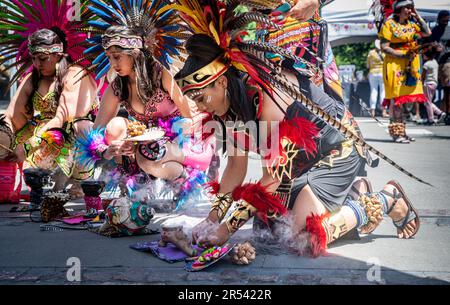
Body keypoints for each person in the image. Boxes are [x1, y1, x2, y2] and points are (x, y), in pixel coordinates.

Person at [172, 0, 422, 256]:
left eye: (201, 98)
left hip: (336, 149)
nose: (201, 107)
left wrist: (226, 230)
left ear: (221, 82)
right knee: (267, 230)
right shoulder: (229, 107)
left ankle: (386, 199)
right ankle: (353, 193)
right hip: (300, 162)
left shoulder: (266, 92)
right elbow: (236, 167)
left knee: (301, 236)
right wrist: (212, 220)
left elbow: (273, 175)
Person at [76, 1, 215, 202]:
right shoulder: (117, 86)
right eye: (109, 57)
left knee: (148, 153)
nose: (112, 64)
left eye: (117, 57)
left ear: (134, 54)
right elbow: (98, 130)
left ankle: (182, 179)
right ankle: (140, 182)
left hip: (180, 143)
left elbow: (190, 117)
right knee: (115, 127)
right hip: (145, 148)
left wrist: (164, 140)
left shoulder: (161, 74)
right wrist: (107, 150)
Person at [0, 1, 98, 192]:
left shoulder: (74, 73)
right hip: (43, 131)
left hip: (68, 131)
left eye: (42, 59)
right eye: (34, 58)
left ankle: (78, 181)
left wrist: (27, 147)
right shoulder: (32, 78)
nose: (37, 64)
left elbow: (62, 118)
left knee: (78, 128)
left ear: (58, 54)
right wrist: (5, 138)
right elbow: (12, 117)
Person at [378, 0, 431, 143]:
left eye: (411, 8)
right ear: (399, 9)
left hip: (411, 66)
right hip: (395, 64)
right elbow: (384, 47)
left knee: (406, 101)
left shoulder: (412, 25)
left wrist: (418, 16)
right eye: (407, 8)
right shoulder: (389, 24)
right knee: (396, 100)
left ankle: (403, 132)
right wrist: (402, 55)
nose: (410, 10)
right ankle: (397, 133)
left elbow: (427, 32)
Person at [422, 50, 446, 125]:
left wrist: (421, 82)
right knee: (427, 102)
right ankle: (439, 113)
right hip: (434, 83)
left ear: (426, 56)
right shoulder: (435, 62)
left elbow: (423, 75)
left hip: (428, 83)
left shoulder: (426, 64)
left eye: (424, 55)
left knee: (427, 102)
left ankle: (431, 119)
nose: (423, 56)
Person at [367, 39, 387, 117]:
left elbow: (368, 65)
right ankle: (384, 111)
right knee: (383, 92)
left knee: (373, 91)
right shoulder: (384, 53)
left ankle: (372, 112)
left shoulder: (371, 53)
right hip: (382, 73)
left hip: (372, 73)